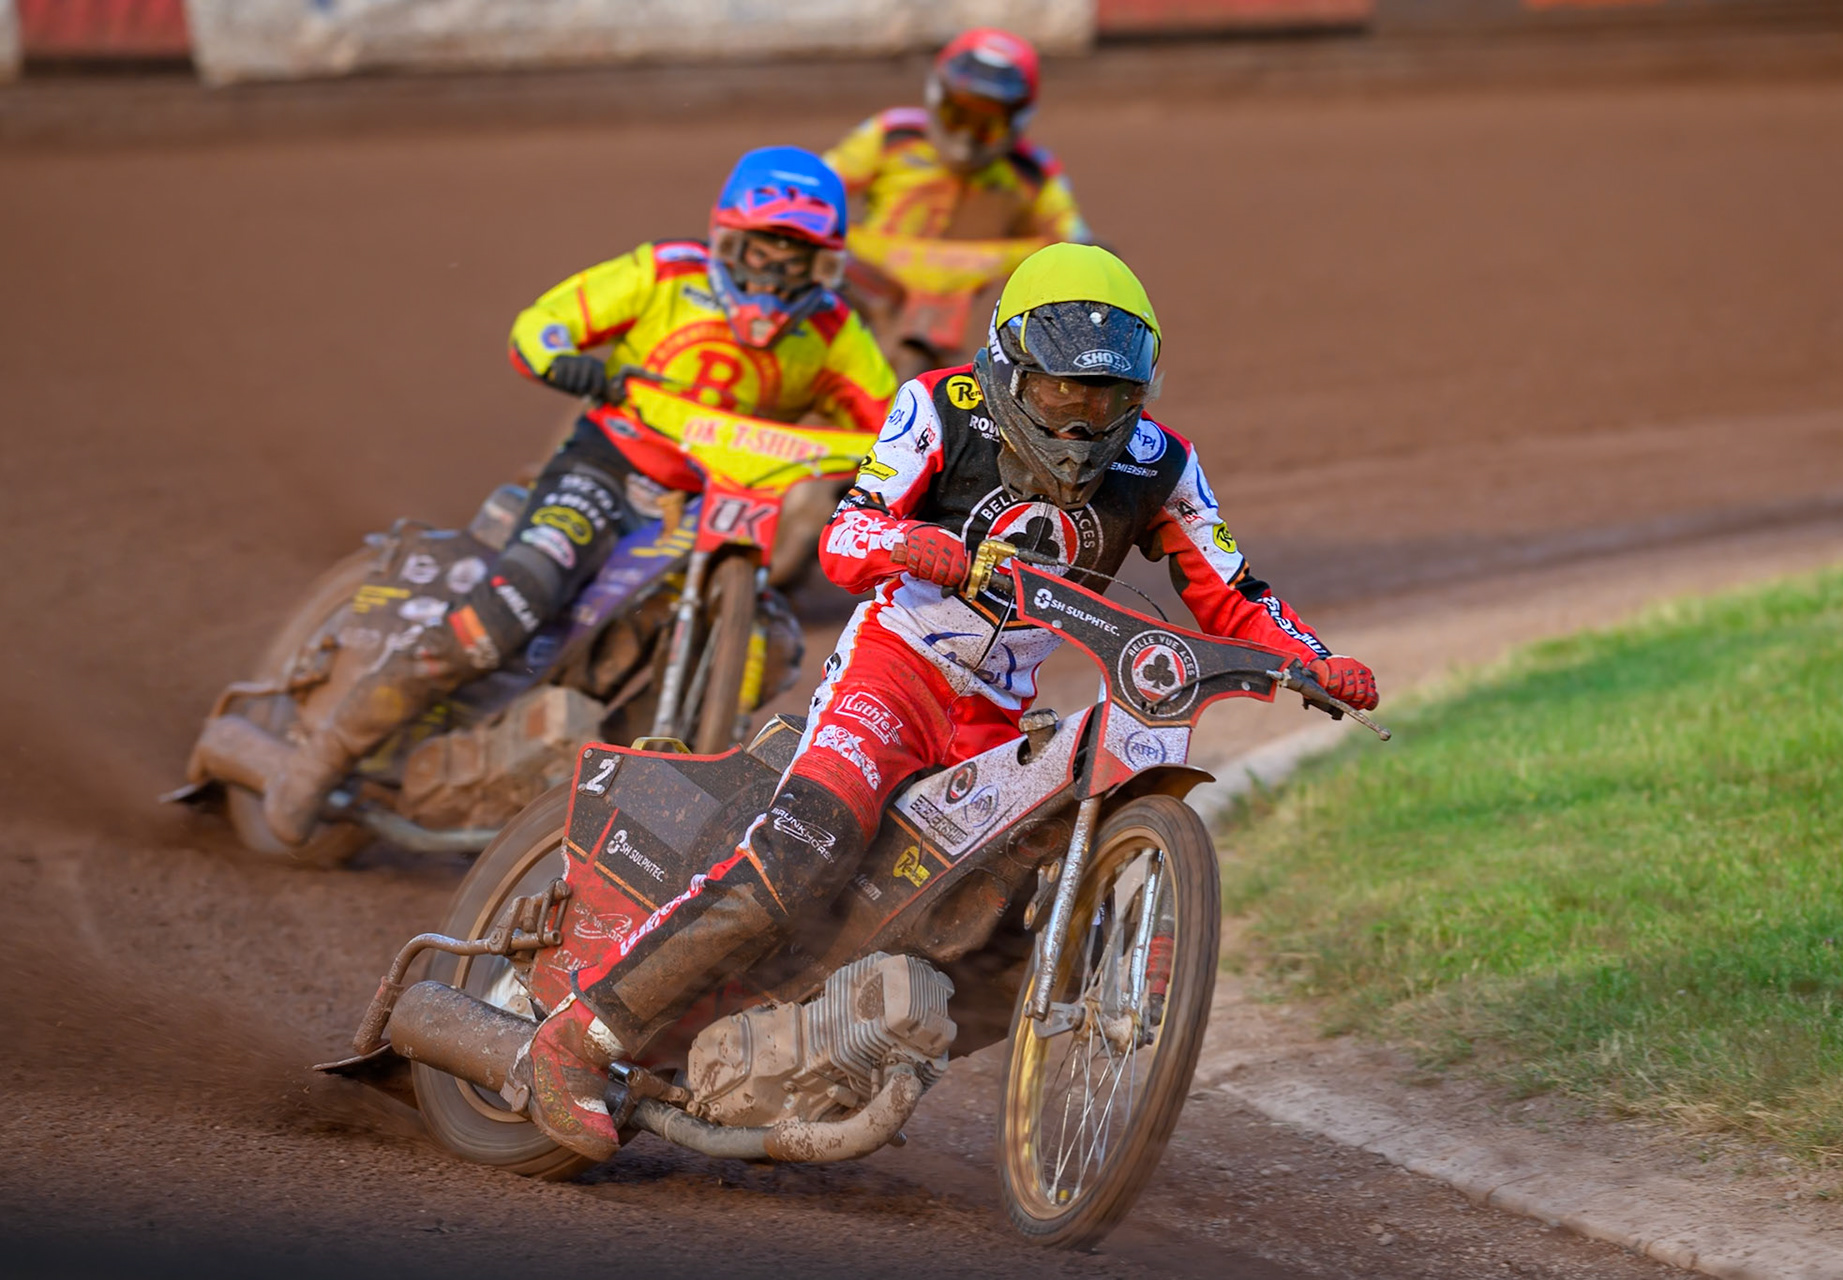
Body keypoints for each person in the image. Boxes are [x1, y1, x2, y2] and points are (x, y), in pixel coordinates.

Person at [515, 243, 1381, 1160]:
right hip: (894, 668)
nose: (1087, 423)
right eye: (1062, 394)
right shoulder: (937, 405)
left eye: (1110, 399)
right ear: (1009, 367)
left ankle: (838, 1054)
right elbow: (848, 534)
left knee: (988, 931)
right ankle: (579, 1037)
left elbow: (1234, 593)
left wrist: (1316, 661)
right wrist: (915, 547)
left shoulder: (1163, 464)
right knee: (806, 850)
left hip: (995, 714)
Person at [256, 146, 898, 847]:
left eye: (794, 257)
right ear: (725, 240)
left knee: (766, 644)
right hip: (609, 471)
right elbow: (546, 324)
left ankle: (614, 795)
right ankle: (323, 756)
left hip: (719, 503)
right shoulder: (663, 274)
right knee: (520, 597)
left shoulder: (834, 331)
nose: (772, 273)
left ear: (825, 266)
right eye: (760, 250)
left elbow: (893, 422)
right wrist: (576, 367)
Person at [822, 27, 1091, 245]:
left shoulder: (1032, 174)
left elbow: (1074, 236)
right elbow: (818, 186)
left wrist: (1088, 249)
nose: (966, 138)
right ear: (936, 99)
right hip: (871, 294)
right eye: (958, 116)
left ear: (1018, 123)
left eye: (988, 125)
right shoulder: (893, 137)